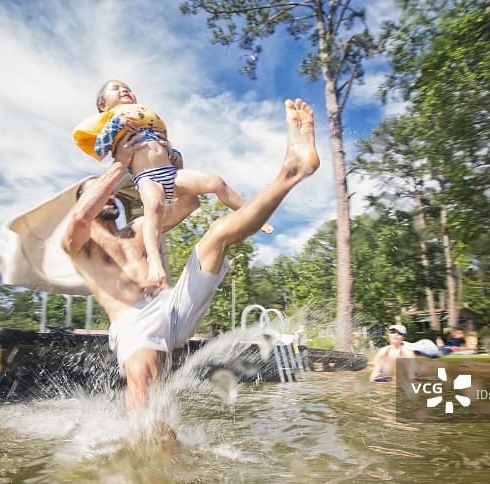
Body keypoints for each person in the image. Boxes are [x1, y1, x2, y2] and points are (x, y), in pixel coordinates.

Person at [62, 98, 319, 416]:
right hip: (135, 321)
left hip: (174, 306)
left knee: (218, 234)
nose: (110, 193)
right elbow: (80, 220)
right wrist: (119, 164)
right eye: (100, 189)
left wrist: (173, 172)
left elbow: (190, 205)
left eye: (112, 189)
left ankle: (291, 172)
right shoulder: (80, 246)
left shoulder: (138, 228)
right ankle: (146, 450)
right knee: (145, 379)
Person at [73, 80, 273, 286]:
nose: (124, 90)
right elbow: (100, 149)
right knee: (154, 207)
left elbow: (159, 145)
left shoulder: (143, 118)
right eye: (115, 89)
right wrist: (117, 125)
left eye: (128, 89)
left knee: (217, 182)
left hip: (172, 173)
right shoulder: (112, 121)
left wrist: (173, 153)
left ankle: (252, 214)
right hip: (147, 177)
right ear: (103, 105)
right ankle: (154, 260)